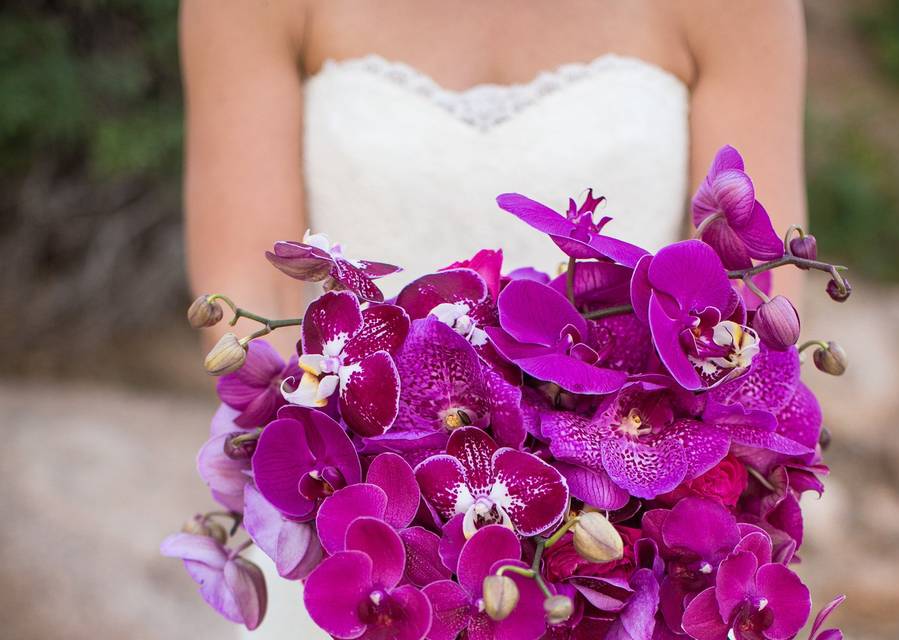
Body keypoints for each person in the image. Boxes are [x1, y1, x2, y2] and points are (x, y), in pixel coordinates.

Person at [180, 1, 806, 637]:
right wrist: (417, 546)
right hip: (364, 553)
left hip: (600, 568)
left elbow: (746, 300)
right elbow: (247, 293)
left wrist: (602, 524)